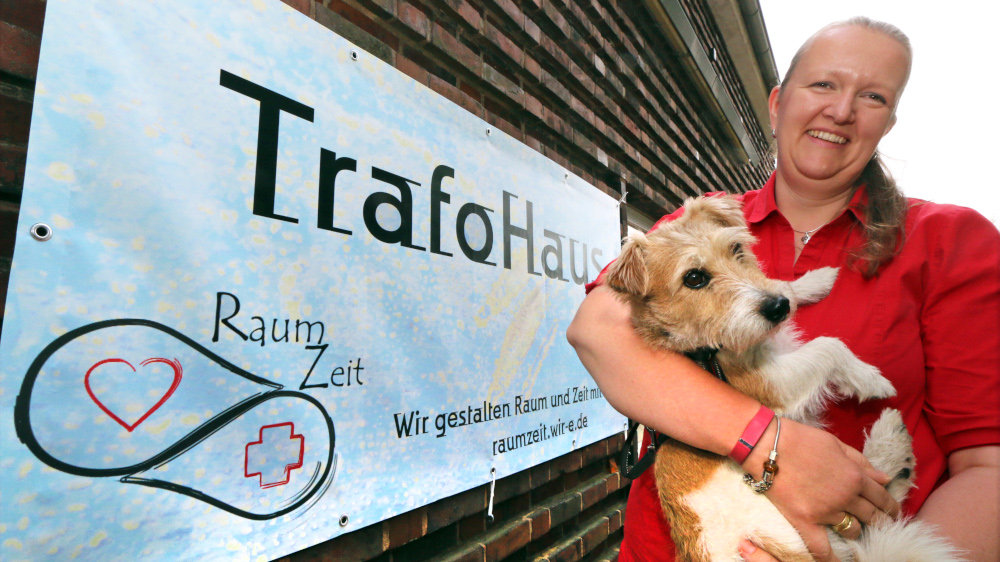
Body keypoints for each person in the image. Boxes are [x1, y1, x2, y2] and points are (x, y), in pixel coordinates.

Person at [567, 17, 1000, 562]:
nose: (841, 111)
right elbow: (597, 329)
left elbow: (989, 467)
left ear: (888, 122)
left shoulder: (950, 239)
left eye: (872, 96)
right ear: (776, 104)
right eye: (823, 84)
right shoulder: (700, 221)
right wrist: (773, 447)